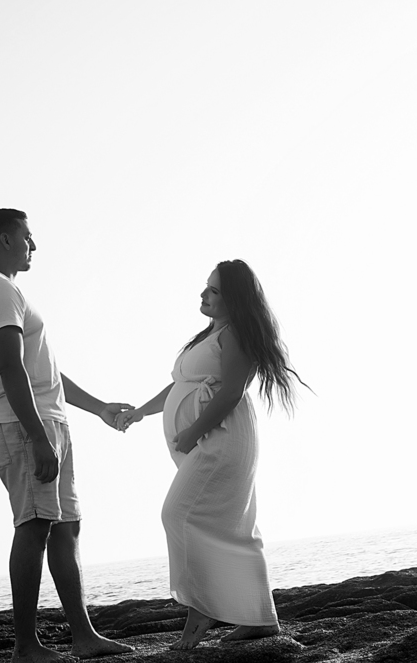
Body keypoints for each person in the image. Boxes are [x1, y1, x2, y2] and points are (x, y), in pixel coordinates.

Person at [0, 208, 134, 663]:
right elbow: (10, 368)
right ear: (5, 240)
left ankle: (84, 637)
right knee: (35, 524)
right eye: (27, 236)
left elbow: (45, 372)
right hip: (23, 426)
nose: (34, 245)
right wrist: (37, 436)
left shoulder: (9, 291)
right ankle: (26, 646)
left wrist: (98, 408)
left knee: (65, 526)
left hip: (45, 421)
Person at [116, 259, 305, 649]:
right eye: (206, 286)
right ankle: (260, 618)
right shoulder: (209, 335)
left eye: (213, 290)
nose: (203, 294)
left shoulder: (235, 334)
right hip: (205, 439)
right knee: (231, 524)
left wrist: (193, 431)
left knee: (178, 514)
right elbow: (180, 385)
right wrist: (140, 412)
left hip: (221, 437)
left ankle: (201, 609)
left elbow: (232, 392)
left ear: (233, 297)